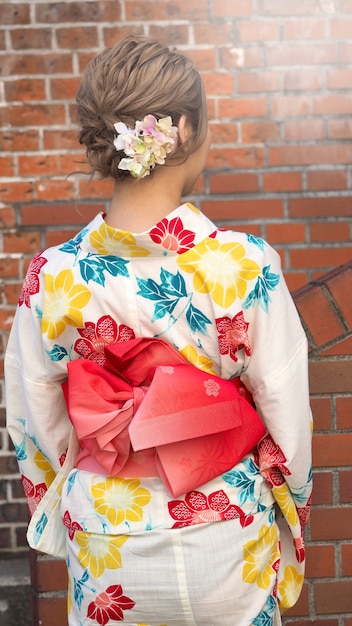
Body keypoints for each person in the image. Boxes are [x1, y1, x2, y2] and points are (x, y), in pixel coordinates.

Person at [5, 35, 312, 626]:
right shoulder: (243, 265)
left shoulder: (53, 274)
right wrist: (287, 502)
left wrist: (63, 493)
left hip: (104, 534)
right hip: (225, 530)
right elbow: (283, 405)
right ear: (185, 130)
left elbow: (32, 413)